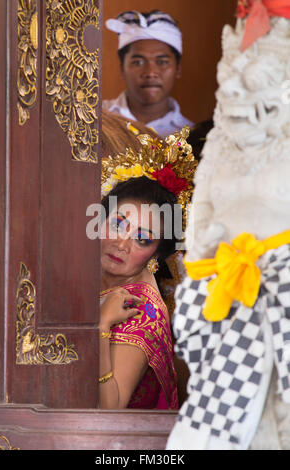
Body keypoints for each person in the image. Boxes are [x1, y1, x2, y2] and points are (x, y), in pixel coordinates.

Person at [167, 1, 290, 450]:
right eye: (230, 76)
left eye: (253, 78)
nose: (236, 89)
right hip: (232, 318)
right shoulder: (220, 147)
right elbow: (199, 244)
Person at [98, 126, 197, 410]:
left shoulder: (142, 310)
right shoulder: (96, 275)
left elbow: (110, 410)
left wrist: (102, 326)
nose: (122, 244)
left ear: (156, 254)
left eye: (142, 239)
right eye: (118, 224)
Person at [103, 10, 194, 138]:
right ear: (122, 69)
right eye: (138, 62)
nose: (150, 73)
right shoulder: (97, 119)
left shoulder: (190, 135)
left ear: (178, 69)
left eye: (162, 62)